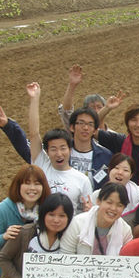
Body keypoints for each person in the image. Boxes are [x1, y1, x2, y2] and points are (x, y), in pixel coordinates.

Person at [0, 102, 112, 190]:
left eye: (90, 124)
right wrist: (8, 126)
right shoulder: (58, 152)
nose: (85, 128)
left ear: (95, 130)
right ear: (72, 127)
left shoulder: (106, 156)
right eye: (81, 123)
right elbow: (28, 146)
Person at [26, 82, 93, 215]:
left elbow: (87, 213)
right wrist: (34, 99)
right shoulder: (42, 164)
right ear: (47, 151)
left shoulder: (82, 180)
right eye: (53, 149)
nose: (59, 154)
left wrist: (88, 210)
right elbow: (34, 134)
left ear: (70, 149)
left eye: (63, 148)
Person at [90, 153, 139, 226]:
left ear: (131, 175)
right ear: (109, 170)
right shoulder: (97, 195)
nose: (120, 172)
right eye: (116, 168)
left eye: (125, 170)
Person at [58, 64, 110, 132]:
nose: (96, 111)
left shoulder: (114, 135)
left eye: (99, 107)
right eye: (92, 108)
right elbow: (66, 111)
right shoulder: (79, 130)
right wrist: (72, 85)